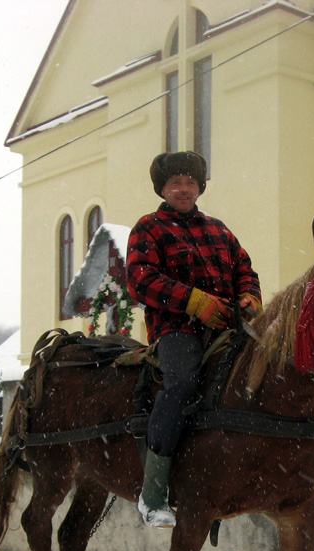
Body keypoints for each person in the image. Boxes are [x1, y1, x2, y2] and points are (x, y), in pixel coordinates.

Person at [126, 151, 262, 527]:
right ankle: (153, 493)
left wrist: (249, 297)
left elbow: (245, 270)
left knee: (263, 376)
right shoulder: (148, 228)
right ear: (162, 188)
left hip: (229, 327)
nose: (183, 189)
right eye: (175, 183)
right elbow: (140, 279)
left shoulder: (220, 230)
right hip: (177, 330)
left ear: (200, 188)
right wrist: (192, 301)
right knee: (182, 386)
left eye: (190, 182)